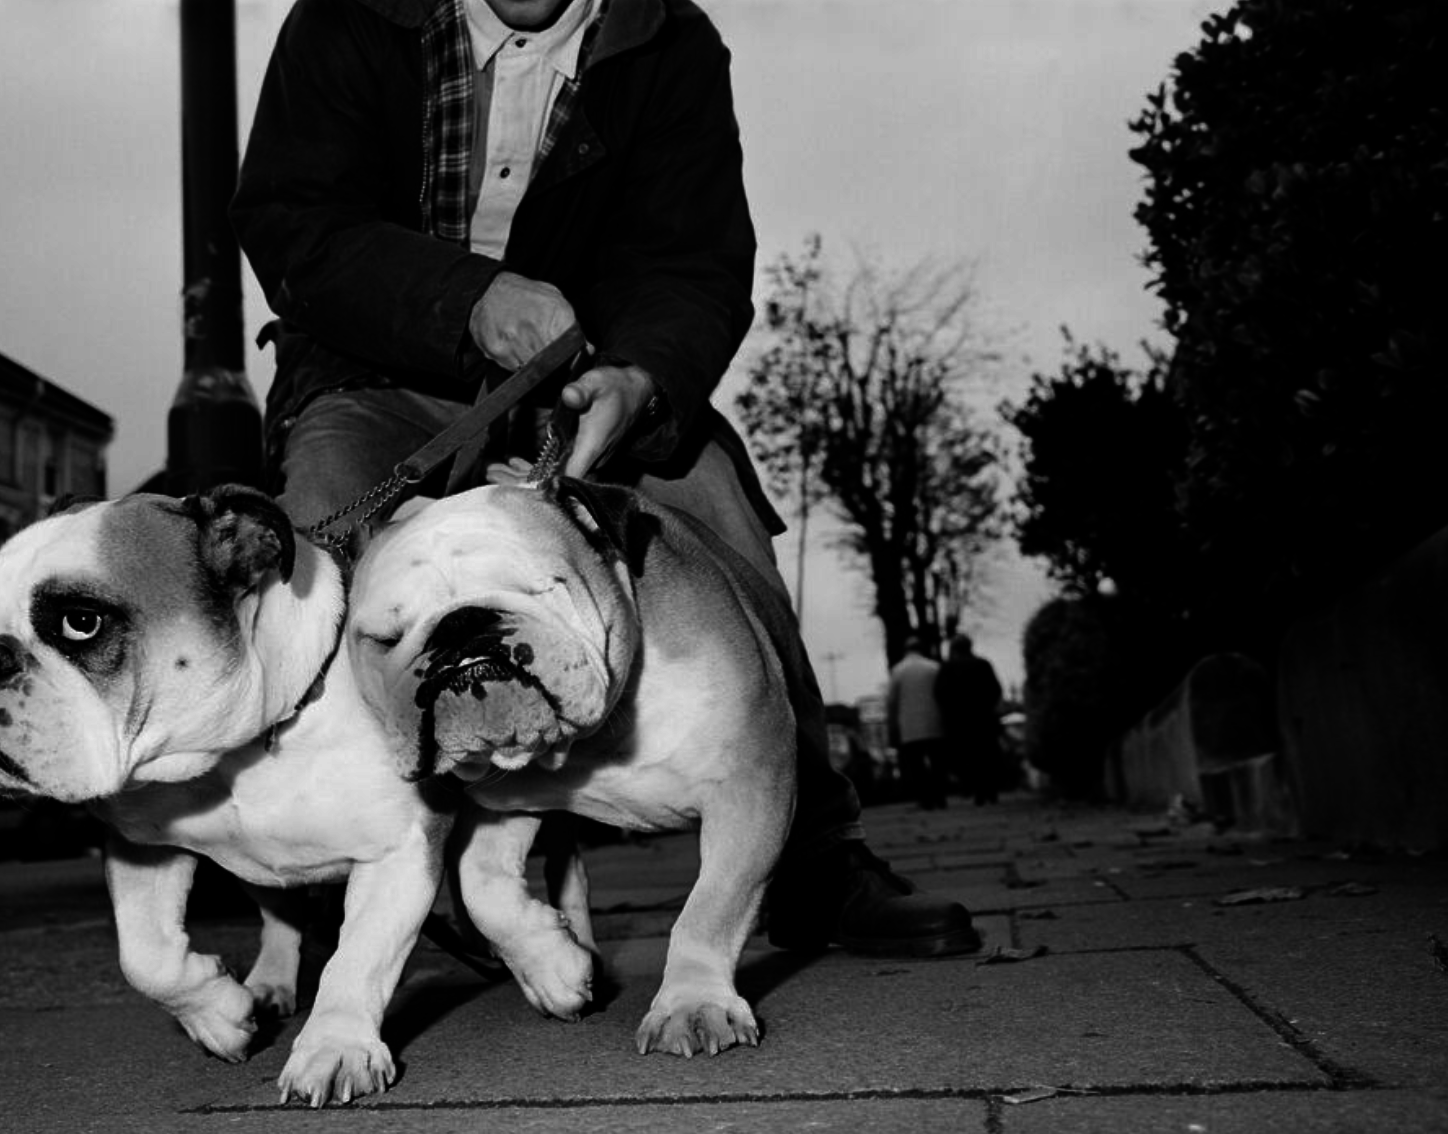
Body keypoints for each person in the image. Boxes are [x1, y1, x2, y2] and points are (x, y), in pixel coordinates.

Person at [230, 0, 980, 958]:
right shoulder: (349, 15)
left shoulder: (672, 40)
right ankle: (344, 872)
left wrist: (641, 380)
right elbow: (291, 221)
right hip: (370, 377)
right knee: (314, 551)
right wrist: (466, 300)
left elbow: (692, 265)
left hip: (585, 381)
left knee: (712, 503)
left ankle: (809, 853)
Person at [934, 634, 1005, 805]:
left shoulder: (948, 668)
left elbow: (940, 693)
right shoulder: (983, 664)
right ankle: (991, 790)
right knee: (987, 755)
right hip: (983, 718)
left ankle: (977, 791)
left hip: (960, 721)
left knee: (968, 756)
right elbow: (996, 689)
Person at [887, 637, 947, 810]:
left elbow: (892, 700)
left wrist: (893, 723)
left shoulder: (898, 670)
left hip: (909, 724)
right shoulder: (934, 667)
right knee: (937, 762)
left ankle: (925, 799)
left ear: (906, 650)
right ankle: (940, 797)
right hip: (935, 721)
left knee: (916, 764)